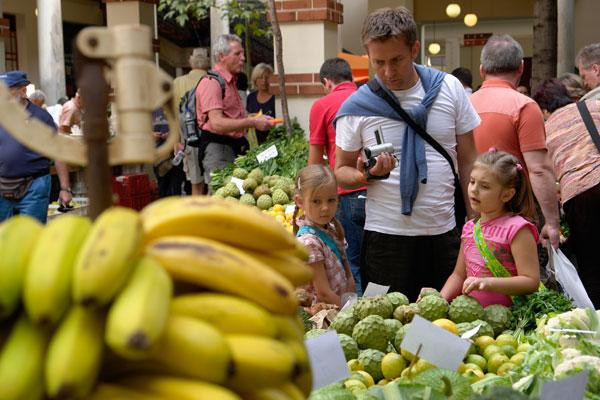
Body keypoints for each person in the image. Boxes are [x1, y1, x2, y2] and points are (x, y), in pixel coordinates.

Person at [334, 7, 480, 301]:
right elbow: (340, 170)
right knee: (389, 328)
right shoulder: (358, 106)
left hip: (443, 233)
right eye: (379, 63)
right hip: (385, 238)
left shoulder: (449, 89)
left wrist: (476, 221)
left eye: (397, 60)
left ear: (414, 49)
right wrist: (366, 174)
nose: (388, 72)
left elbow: (468, 161)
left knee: (446, 323)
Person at [470, 34, 560, 249]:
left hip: (475, 210)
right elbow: (538, 170)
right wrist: (552, 222)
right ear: (521, 68)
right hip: (516, 211)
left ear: (482, 70)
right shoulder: (524, 106)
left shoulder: (465, 104)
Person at [440, 150, 540, 307]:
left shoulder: (518, 228)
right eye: (472, 182)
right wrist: (439, 300)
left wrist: (488, 282)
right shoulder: (469, 227)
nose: (474, 189)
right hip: (474, 320)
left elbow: (531, 281)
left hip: (511, 322)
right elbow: (458, 275)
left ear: (507, 195)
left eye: (484, 186)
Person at [308, 57, 364, 295]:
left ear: (326, 82)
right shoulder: (369, 98)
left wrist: (308, 197)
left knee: (352, 265)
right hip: (382, 193)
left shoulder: (322, 105)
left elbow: (314, 161)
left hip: (347, 193)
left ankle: (360, 319)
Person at [195, 34, 273, 190]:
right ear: (222, 56)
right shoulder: (211, 83)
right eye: (238, 54)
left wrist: (255, 117)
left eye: (242, 53)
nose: (243, 58)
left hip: (233, 149)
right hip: (218, 150)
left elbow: (233, 117)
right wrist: (252, 122)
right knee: (223, 201)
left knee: (235, 198)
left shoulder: (230, 83)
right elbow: (217, 123)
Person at [545, 97, 600, 307]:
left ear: (544, 109)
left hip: (579, 195)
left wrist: (550, 220)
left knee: (591, 264)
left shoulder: (547, 126)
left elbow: (545, 173)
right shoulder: (594, 105)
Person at [0, 70, 72, 223]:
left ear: (23, 91)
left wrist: (65, 188)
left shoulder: (41, 117)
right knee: (4, 237)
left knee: (31, 235)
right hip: (2, 186)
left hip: (33, 186)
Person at [293, 164, 356, 307]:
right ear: (300, 201)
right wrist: (350, 311)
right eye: (316, 201)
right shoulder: (309, 242)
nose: (325, 208)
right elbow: (324, 294)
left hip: (341, 306)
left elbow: (348, 274)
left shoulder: (332, 227)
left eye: (331, 200)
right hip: (327, 314)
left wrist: (352, 300)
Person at [173, 48, 210, 196]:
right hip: (212, 138)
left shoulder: (178, 83)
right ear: (208, 62)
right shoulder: (214, 79)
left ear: (190, 61)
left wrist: (176, 141)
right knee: (214, 183)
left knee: (196, 184)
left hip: (189, 139)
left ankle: (198, 216)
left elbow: (174, 115)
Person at [246, 63, 276, 144]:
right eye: (260, 78)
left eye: (267, 77)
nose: (264, 81)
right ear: (255, 79)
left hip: (273, 142)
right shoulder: (250, 97)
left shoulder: (276, 98)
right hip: (254, 143)